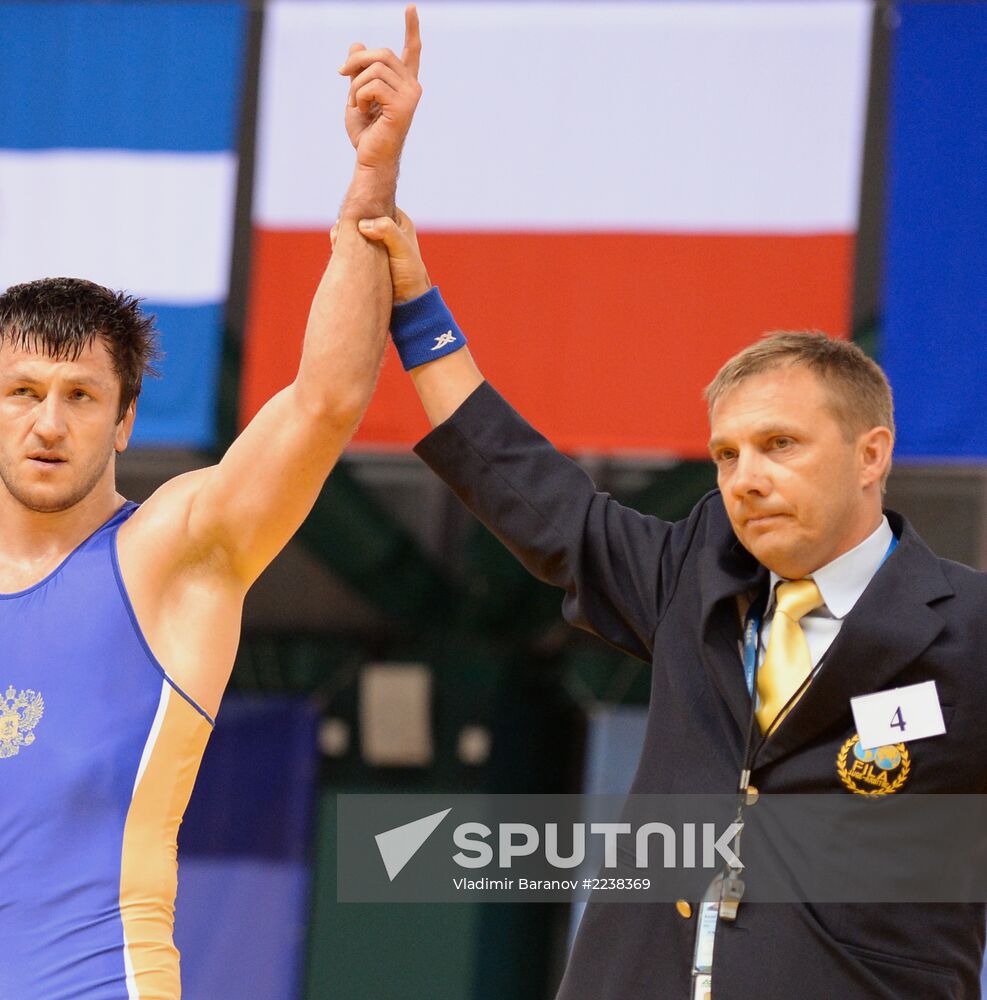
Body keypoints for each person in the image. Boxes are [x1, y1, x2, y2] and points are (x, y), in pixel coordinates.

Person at [0, 9, 422, 997]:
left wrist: (372, 175)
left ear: (125, 418)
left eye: (81, 397)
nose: (49, 423)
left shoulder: (177, 553)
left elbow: (325, 401)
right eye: (24, 394)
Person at [351, 209, 987, 997]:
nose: (744, 477)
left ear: (871, 454)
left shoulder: (969, 628)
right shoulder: (694, 575)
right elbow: (527, 489)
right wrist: (415, 309)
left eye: (779, 444)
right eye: (726, 453)